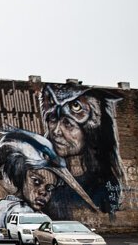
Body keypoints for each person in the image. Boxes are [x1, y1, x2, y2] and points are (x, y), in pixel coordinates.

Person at [40, 83, 124, 218]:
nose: (56, 131)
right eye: (53, 119)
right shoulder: (47, 178)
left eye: (68, 123)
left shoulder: (104, 186)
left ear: (90, 130)